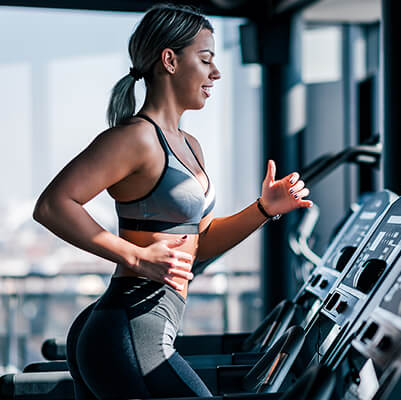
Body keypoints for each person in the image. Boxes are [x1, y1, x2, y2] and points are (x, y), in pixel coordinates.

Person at [32, 4, 312, 399]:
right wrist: (134, 256)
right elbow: (53, 205)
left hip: (139, 326)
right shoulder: (135, 138)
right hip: (131, 327)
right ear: (170, 60)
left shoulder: (190, 145)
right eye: (205, 59)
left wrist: (264, 209)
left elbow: (200, 244)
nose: (215, 72)